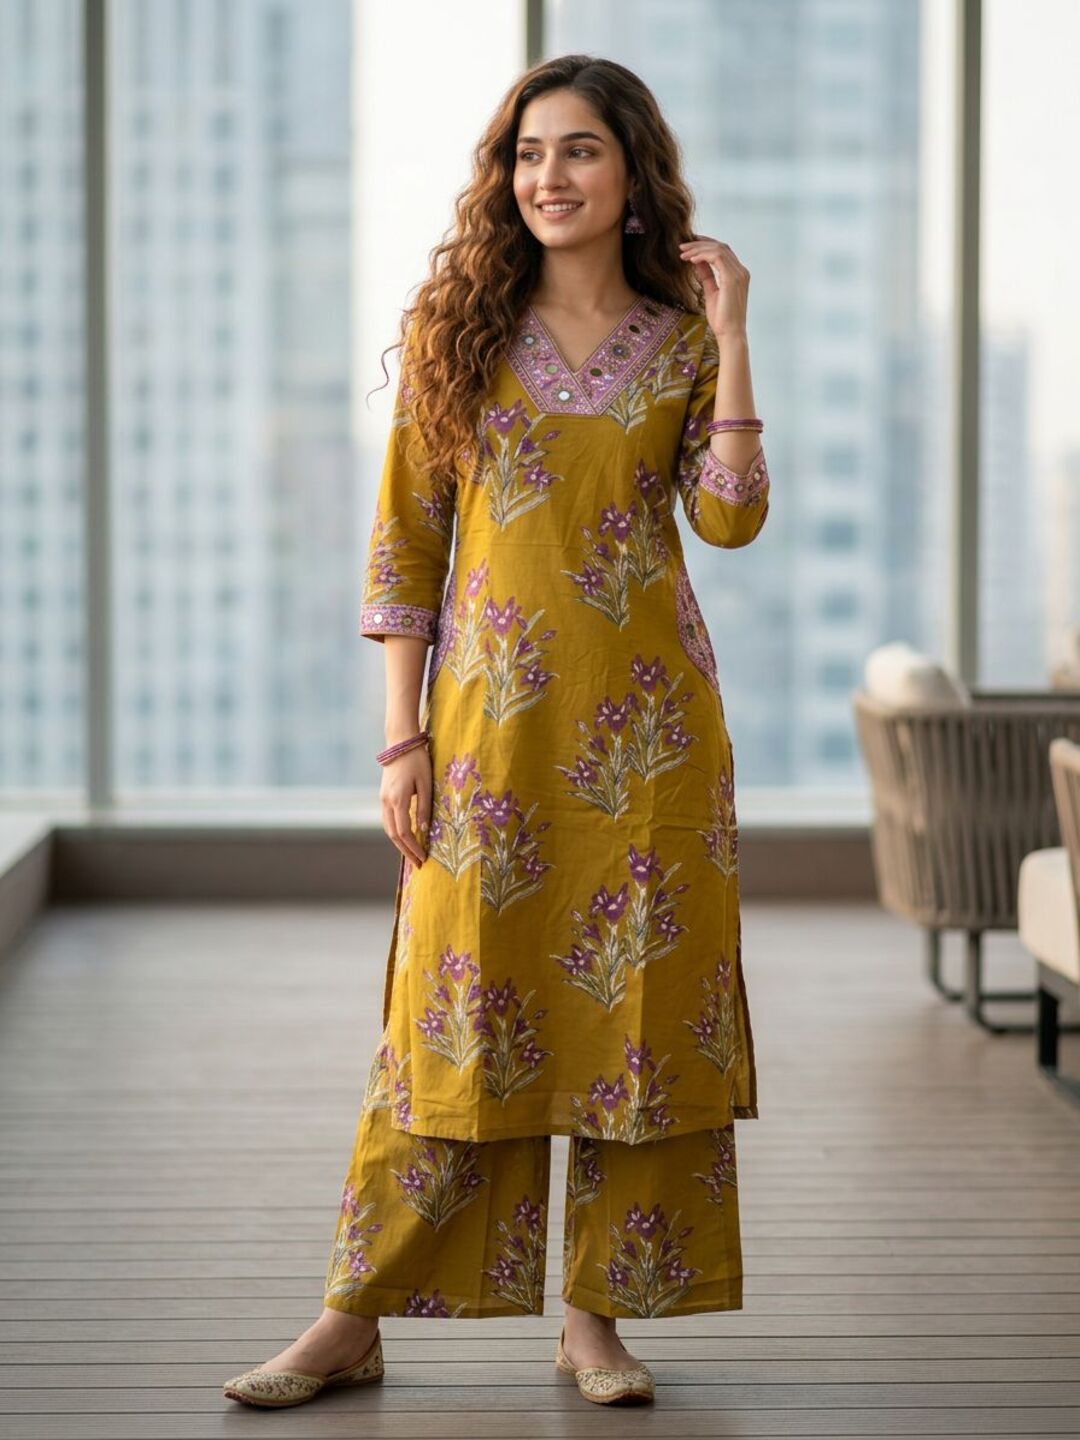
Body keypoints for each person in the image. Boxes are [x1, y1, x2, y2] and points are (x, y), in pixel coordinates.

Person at [223, 51, 769, 1412]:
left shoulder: (683, 342)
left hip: (651, 749)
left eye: (579, 150)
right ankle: (350, 1318)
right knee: (449, 1015)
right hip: (484, 741)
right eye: (529, 154)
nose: (549, 177)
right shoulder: (457, 333)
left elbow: (731, 516)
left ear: (633, 172)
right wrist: (399, 741)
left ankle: (593, 1324)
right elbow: (405, 547)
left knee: (633, 1019)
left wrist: (735, 333)